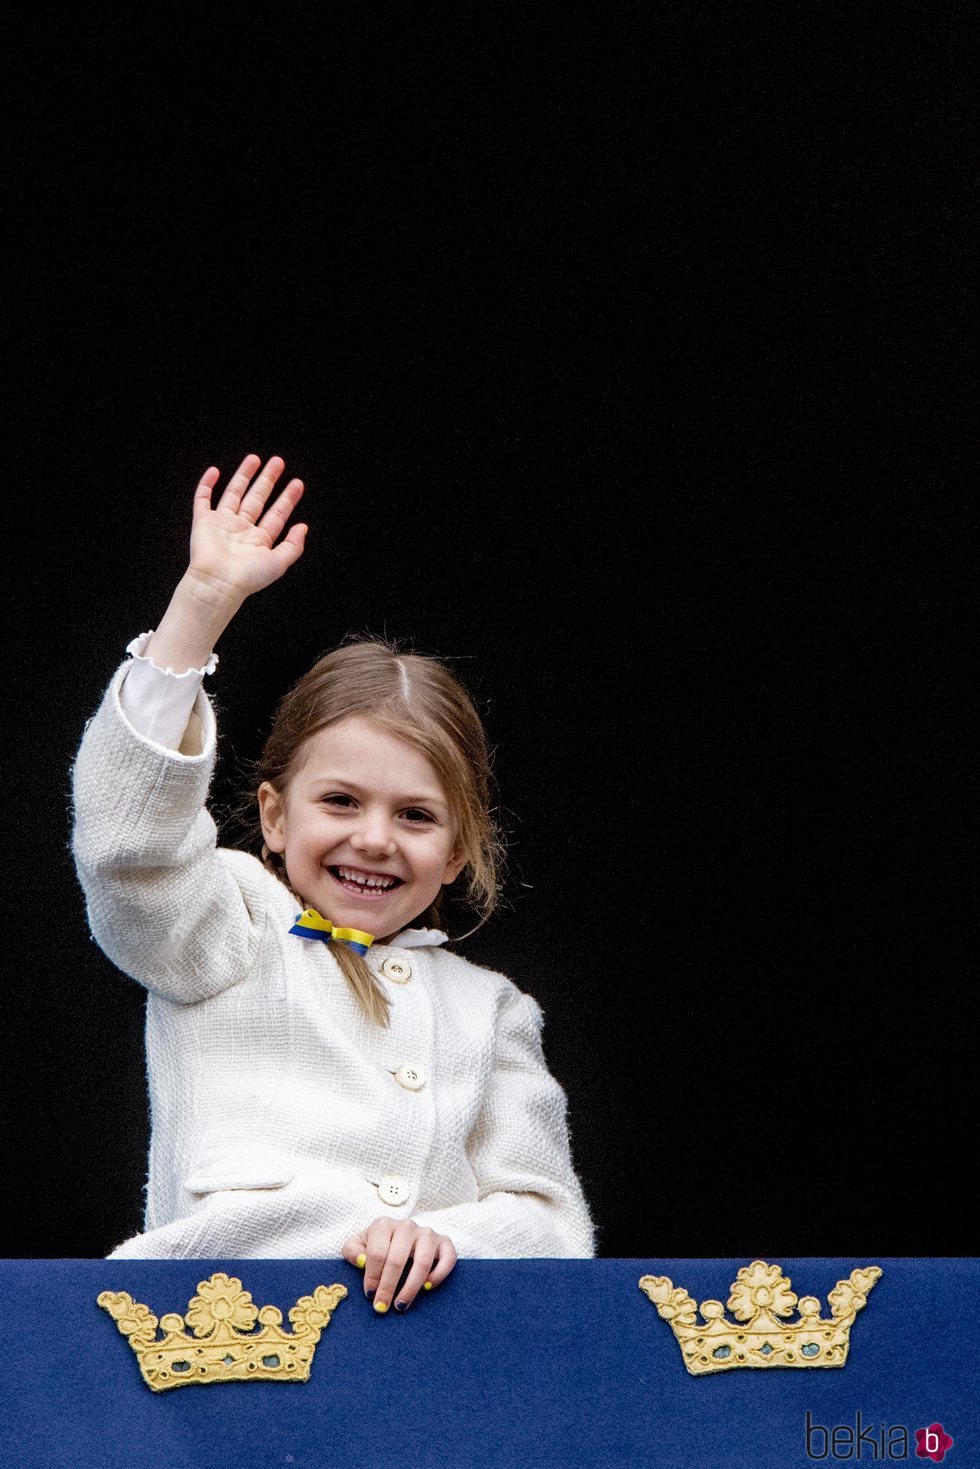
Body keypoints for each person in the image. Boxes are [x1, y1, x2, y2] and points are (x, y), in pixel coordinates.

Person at [72, 453, 594, 1314]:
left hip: (418, 1366)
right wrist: (201, 604)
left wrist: (449, 1240)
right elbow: (127, 848)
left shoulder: (493, 1008)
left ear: (460, 850)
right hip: (219, 1336)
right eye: (341, 801)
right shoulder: (225, 923)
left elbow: (551, 1223)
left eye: (418, 816)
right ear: (275, 818)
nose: (375, 839)